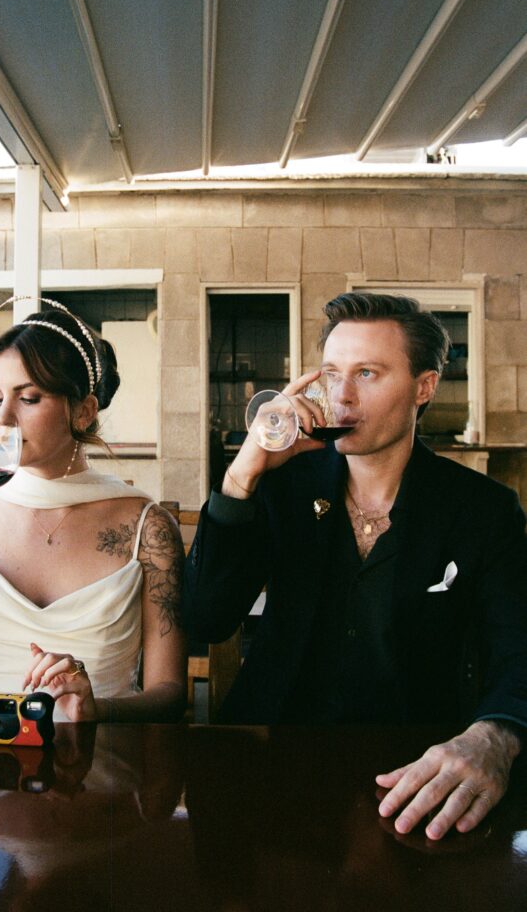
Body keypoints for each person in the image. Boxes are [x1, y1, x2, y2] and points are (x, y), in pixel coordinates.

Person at [184, 292, 527, 839]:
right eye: (332, 373)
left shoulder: (481, 510)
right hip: (271, 766)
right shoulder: (284, 487)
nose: (341, 396)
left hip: (413, 781)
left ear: (424, 388)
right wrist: (241, 477)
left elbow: (518, 649)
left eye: (367, 373)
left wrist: (496, 734)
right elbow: (204, 620)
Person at [0, 297, 186, 723]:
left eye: (28, 398)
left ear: (83, 411)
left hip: (95, 762)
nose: (2, 418)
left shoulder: (147, 527)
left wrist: (96, 710)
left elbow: (170, 694)